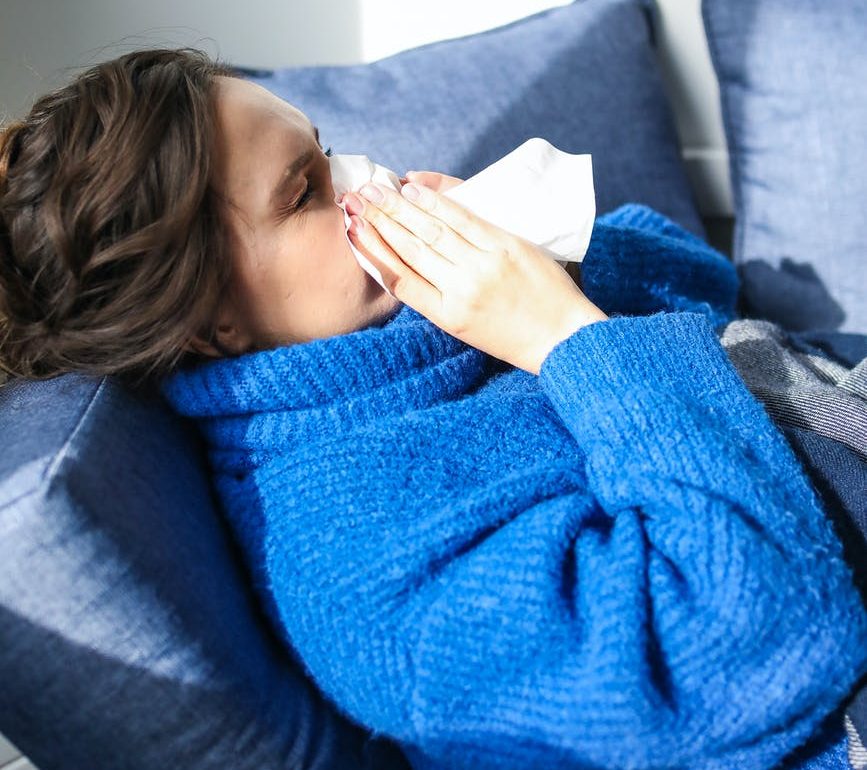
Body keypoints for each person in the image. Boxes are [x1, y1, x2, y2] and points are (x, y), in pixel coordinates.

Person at [2, 48, 867, 770]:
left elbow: (707, 288)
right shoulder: (352, 559)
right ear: (209, 321)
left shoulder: (422, 326)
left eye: (329, 147)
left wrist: (551, 259)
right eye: (305, 191)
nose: (364, 180)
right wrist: (567, 342)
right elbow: (758, 646)